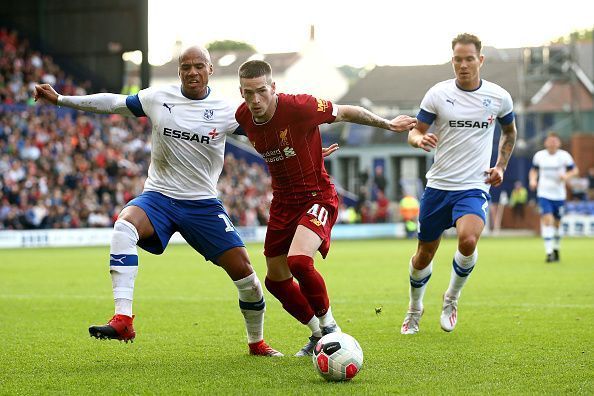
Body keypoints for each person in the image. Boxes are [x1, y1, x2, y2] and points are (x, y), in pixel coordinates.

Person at [33, 46, 282, 356]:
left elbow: (270, 132)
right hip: (159, 197)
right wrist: (61, 99)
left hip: (202, 204)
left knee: (247, 278)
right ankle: (123, 317)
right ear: (179, 71)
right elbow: (113, 103)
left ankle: (256, 343)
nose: (192, 72)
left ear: (210, 70)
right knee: (124, 226)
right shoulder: (156, 98)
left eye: (199, 66)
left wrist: (301, 151)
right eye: (186, 66)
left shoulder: (230, 110)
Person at [235, 59, 417, 356]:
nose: (255, 99)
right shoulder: (242, 116)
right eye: (248, 93)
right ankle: (317, 333)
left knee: (298, 262)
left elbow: (346, 111)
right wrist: (309, 150)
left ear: (273, 87)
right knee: (276, 281)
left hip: (316, 196)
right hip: (282, 203)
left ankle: (331, 328)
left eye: (261, 91)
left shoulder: (299, 107)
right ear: (240, 92)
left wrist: (387, 123)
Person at [400, 33, 518, 334]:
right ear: (452, 61)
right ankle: (415, 307)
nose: (463, 65)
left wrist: (501, 167)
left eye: (468, 59)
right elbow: (414, 132)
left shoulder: (499, 97)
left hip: (473, 186)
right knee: (424, 254)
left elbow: (510, 133)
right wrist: (418, 139)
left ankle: (451, 297)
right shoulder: (438, 94)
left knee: (468, 240)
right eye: (457, 60)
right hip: (439, 186)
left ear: (480, 60)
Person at [529, 132, 578, 263]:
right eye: (550, 141)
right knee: (547, 220)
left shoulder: (564, 156)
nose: (552, 143)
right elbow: (534, 170)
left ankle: (556, 248)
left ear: (559, 143)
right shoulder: (539, 156)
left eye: (554, 141)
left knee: (557, 224)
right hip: (544, 193)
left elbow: (574, 170)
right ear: (546, 143)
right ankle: (549, 252)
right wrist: (533, 180)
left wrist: (566, 176)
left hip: (559, 195)